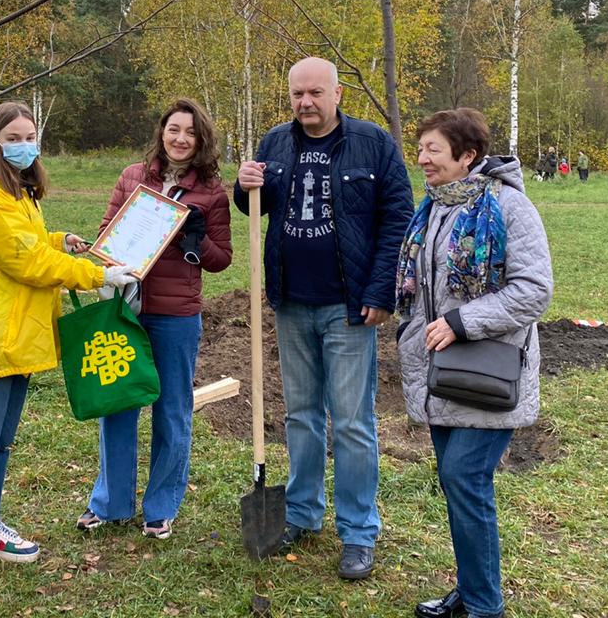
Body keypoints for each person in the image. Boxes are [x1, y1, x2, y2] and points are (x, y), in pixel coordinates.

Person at [0, 102, 137, 595]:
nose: (24, 144)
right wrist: (97, 273)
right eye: (13, 137)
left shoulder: (15, 192)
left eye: (30, 135)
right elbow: (29, 263)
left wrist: (62, 239)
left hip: (16, 335)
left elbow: (32, 243)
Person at [234, 57, 413, 581]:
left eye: (315, 92)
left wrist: (382, 291)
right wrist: (244, 187)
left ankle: (358, 532)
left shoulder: (372, 143)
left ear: (337, 93)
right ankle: (302, 513)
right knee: (301, 415)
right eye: (296, 94)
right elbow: (256, 210)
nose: (305, 102)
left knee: (354, 422)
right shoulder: (275, 143)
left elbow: (396, 217)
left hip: (349, 305)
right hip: (292, 301)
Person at [395, 108, 552, 618]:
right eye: (420, 149)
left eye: (433, 150)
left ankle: (485, 606)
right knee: (458, 485)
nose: (422, 159)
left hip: (489, 370)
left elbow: (533, 291)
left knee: (465, 478)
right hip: (442, 370)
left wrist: (464, 321)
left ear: (467, 156)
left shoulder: (509, 207)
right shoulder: (435, 208)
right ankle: (474, 591)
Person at [77, 98, 233, 539]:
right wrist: (97, 256)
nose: (180, 139)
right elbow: (107, 234)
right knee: (119, 404)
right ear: (161, 132)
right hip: (127, 308)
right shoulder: (132, 177)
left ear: (201, 140)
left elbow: (221, 259)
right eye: (173, 130)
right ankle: (110, 503)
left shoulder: (212, 192)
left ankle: (161, 507)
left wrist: (195, 239)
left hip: (176, 316)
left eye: (190, 133)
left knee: (172, 410)